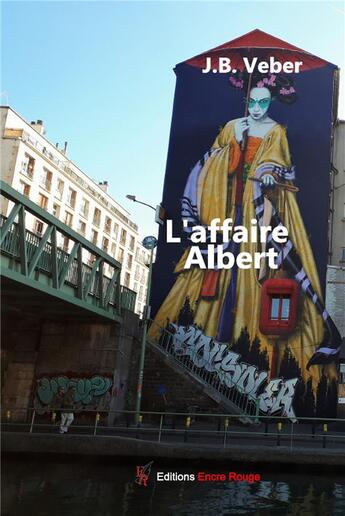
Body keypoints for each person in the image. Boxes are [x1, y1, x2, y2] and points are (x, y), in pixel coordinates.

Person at [148, 70, 339, 390]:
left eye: (264, 102)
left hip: (257, 209)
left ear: (270, 102)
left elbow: (281, 165)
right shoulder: (230, 127)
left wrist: (266, 173)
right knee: (212, 275)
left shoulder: (275, 130)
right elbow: (208, 164)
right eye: (253, 101)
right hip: (223, 207)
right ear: (246, 100)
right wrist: (228, 164)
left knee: (264, 271)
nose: (257, 106)